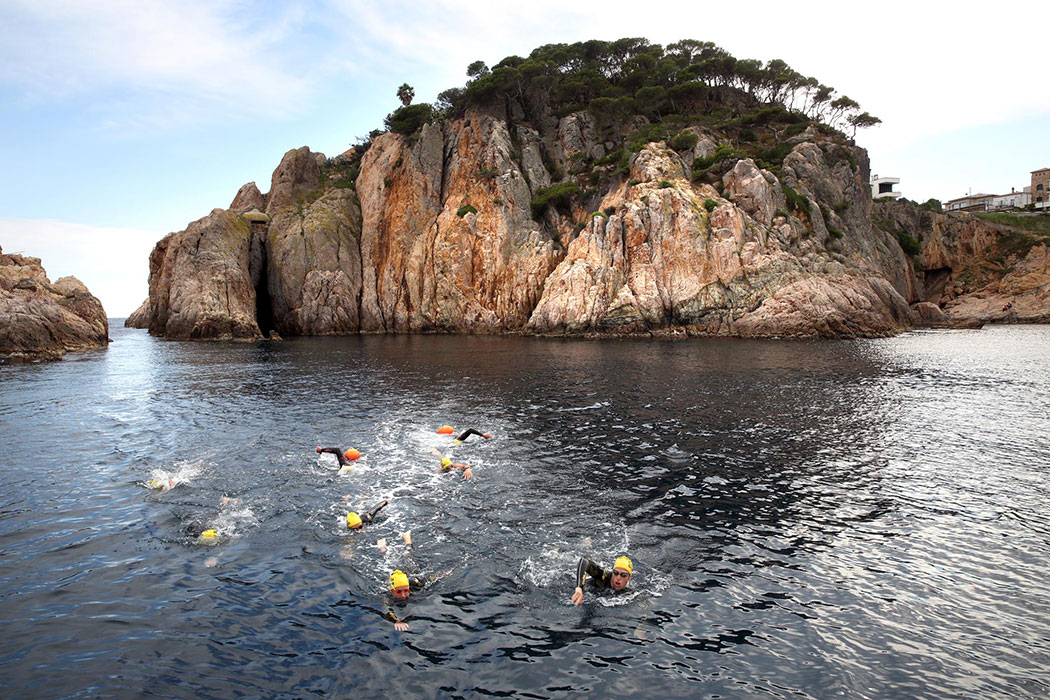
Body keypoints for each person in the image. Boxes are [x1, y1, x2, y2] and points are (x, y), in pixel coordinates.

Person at [382, 531, 450, 630]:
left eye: (406, 590)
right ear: (392, 590)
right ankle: (383, 549)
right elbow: (387, 609)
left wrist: (442, 574)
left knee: (409, 554)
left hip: (410, 572)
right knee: (387, 563)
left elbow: (431, 579)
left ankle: (407, 538)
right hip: (398, 577)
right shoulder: (387, 595)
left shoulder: (416, 583)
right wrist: (397, 621)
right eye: (398, 591)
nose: (403, 595)